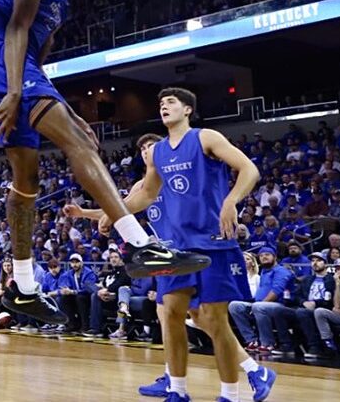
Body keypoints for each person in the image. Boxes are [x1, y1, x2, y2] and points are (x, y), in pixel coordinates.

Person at [0, 0, 211, 326]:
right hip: (3, 63)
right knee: (79, 143)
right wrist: (14, 90)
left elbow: (37, 56)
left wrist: (62, 104)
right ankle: (139, 244)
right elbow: (16, 29)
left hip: (16, 68)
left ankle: (22, 287)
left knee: (26, 182)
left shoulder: (59, 3)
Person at [69, 89, 276, 402]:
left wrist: (231, 200)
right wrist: (112, 213)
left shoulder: (206, 137)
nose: (164, 106)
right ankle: (177, 390)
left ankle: (231, 395)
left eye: (171, 102)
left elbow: (250, 169)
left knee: (214, 319)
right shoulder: (159, 153)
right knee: (171, 314)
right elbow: (145, 196)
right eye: (161, 103)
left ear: (188, 109)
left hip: (212, 243)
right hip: (175, 249)